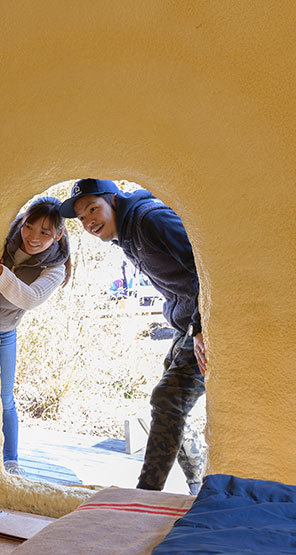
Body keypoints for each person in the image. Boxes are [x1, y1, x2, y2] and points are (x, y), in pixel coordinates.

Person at [58, 179, 206, 494]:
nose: (88, 222)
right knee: (168, 404)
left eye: (93, 209)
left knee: (168, 401)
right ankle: (199, 487)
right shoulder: (126, 235)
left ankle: (145, 496)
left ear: (113, 199)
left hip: (207, 325)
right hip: (189, 325)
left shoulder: (150, 219)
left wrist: (202, 328)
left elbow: (205, 268)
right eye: (82, 218)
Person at [0, 197, 72, 475]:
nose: (33, 237)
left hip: (3, 330)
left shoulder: (56, 267)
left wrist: (0, 272)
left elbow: (30, 298)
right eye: (29, 227)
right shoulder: (4, 233)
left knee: (4, 398)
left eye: (45, 233)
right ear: (22, 221)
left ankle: (11, 462)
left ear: (58, 235)